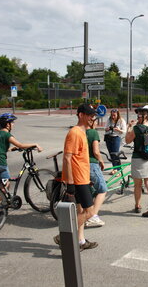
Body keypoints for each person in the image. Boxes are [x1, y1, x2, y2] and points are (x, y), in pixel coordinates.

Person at [53, 104, 98, 251]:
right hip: (78, 179)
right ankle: (63, 236)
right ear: (81, 115)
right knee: (90, 212)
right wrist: (71, 183)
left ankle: (80, 241)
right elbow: (67, 158)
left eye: (93, 115)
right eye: (90, 115)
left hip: (82, 177)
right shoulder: (75, 132)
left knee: (81, 212)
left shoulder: (82, 132)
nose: (93, 117)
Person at [0, 113, 43, 206]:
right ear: (8, 124)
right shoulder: (6, 134)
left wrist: (11, 149)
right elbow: (20, 145)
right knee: (5, 185)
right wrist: (35, 144)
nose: (13, 124)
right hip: (0, 163)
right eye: (12, 122)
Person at [125, 105, 148, 217]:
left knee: (137, 185)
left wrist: (129, 127)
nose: (139, 115)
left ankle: (138, 205)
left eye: (141, 113)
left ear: (146, 115)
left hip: (138, 158)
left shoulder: (137, 128)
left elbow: (128, 140)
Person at [85, 116, 107, 228]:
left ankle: (86, 213)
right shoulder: (93, 133)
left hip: (81, 164)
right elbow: (96, 151)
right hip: (92, 164)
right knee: (102, 189)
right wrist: (101, 161)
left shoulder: (80, 131)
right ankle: (93, 216)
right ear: (92, 122)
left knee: (88, 190)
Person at [104, 108, 126, 175]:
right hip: (108, 137)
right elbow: (105, 128)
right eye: (112, 115)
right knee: (111, 154)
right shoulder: (109, 119)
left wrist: (118, 130)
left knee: (115, 154)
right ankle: (115, 168)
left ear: (118, 115)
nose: (113, 117)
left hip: (116, 137)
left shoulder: (121, 121)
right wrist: (107, 129)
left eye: (114, 115)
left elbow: (124, 131)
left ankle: (117, 169)